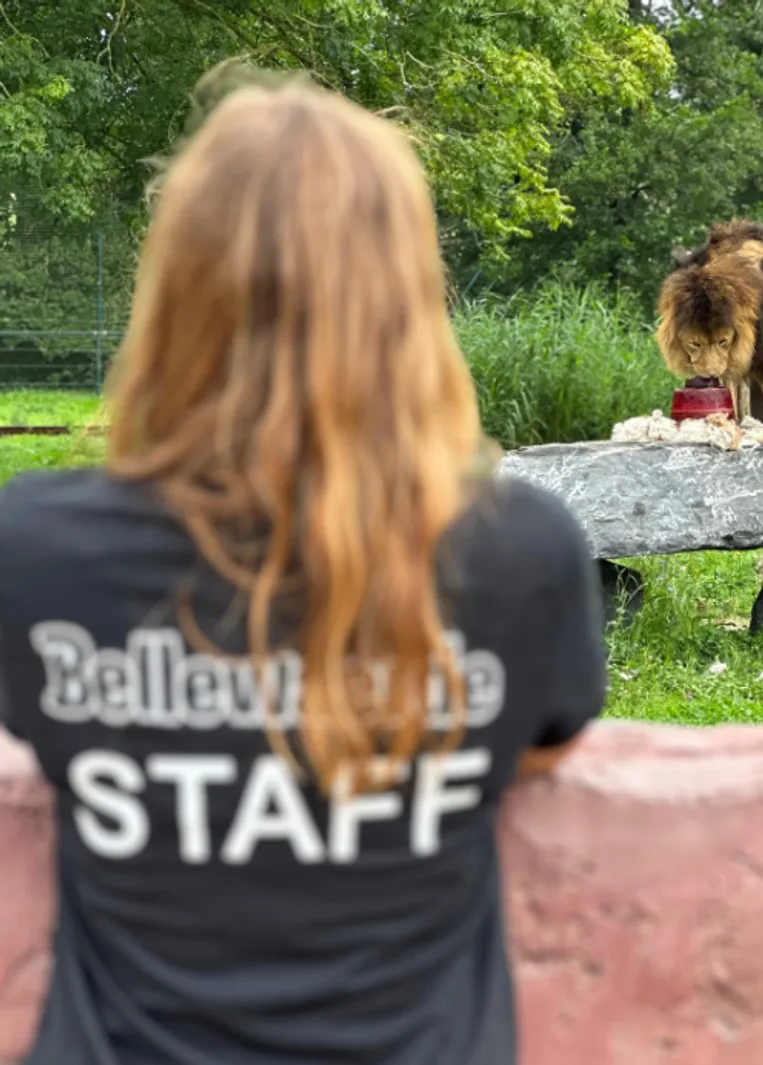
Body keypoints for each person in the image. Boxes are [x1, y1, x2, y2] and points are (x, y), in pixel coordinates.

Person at [0, 63, 606, 1065]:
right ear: (408, 296)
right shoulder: (516, 550)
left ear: (175, 290)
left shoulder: (32, 552)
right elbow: (535, 751)